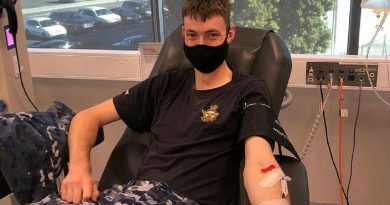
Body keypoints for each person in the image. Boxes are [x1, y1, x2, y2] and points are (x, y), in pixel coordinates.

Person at [53, 0, 291, 204]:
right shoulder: (164, 86)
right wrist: (79, 169)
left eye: (212, 35)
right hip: (134, 194)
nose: (201, 44)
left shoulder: (248, 90)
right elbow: (87, 117)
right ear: (182, 35)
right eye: (192, 35)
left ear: (229, 34)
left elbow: (261, 160)